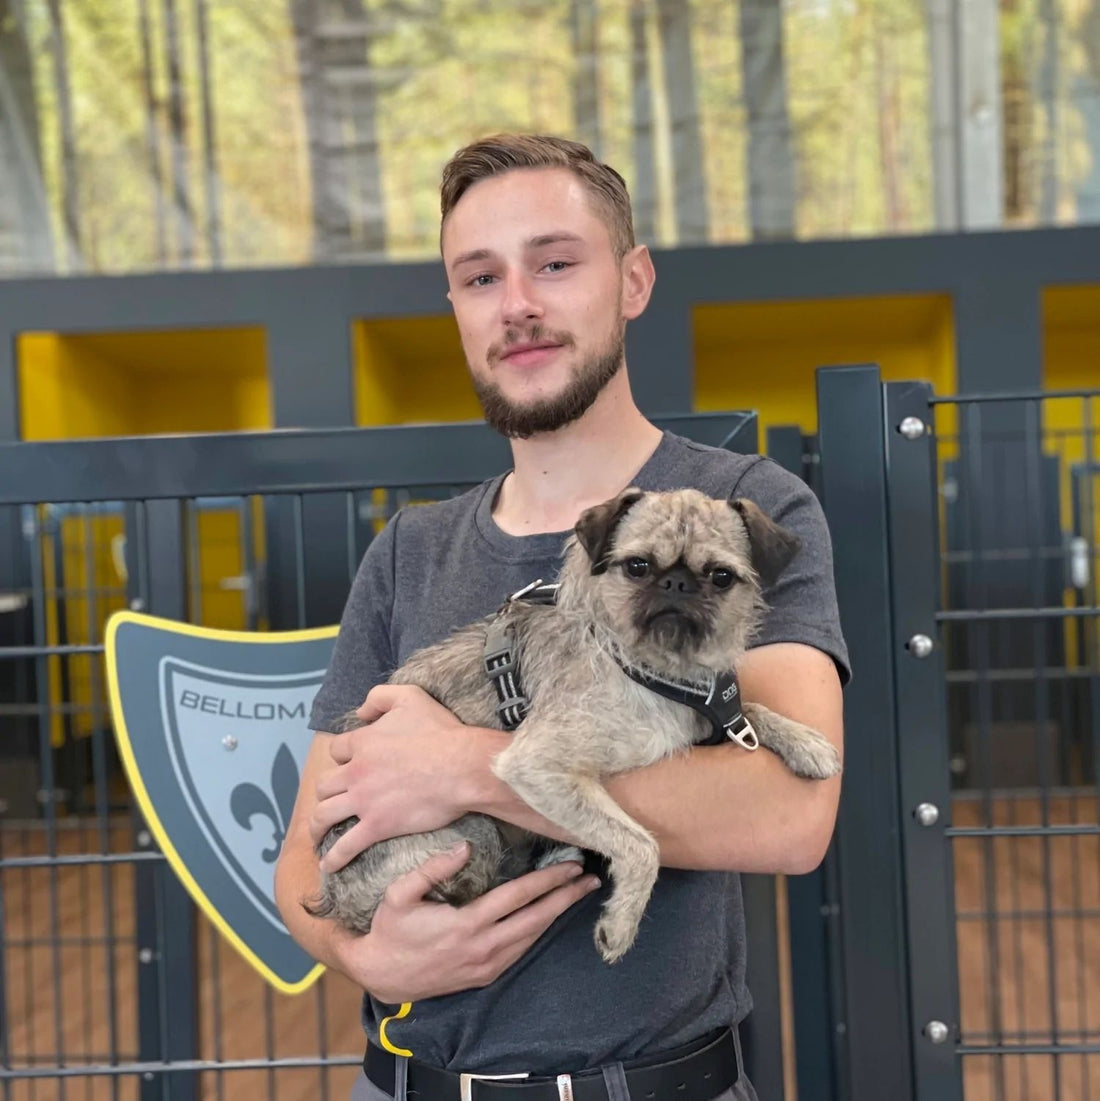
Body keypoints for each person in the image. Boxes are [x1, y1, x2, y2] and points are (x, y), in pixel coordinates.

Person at [274, 133, 849, 1101]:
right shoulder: (409, 552)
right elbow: (302, 857)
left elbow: (790, 815)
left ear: (632, 280)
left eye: (553, 263)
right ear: (456, 308)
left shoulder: (746, 511)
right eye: (480, 277)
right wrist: (359, 953)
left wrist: (464, 767)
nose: (517, 304)